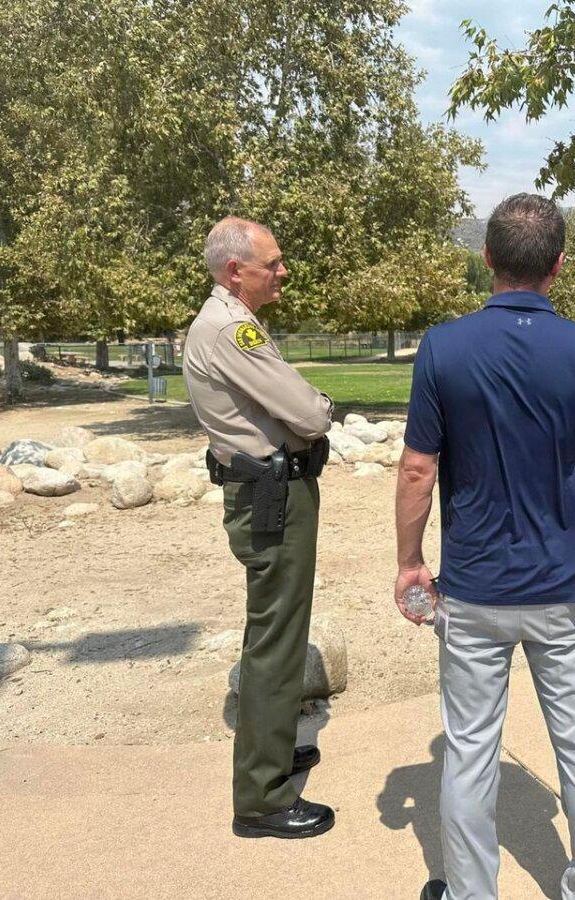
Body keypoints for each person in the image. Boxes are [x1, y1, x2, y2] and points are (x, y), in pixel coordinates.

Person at [394, 194, 575, 900]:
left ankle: (474, 893)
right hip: (561, 586)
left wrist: (410, 561)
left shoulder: (444, 346)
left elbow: (418, 468)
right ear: (559, 266)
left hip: (473, 590)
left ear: (487, 259)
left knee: (470, 751)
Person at [182, 216, 335, 838]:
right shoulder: (230, 329)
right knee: (274, 638)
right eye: (271, 263)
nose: (282, 271)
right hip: (273, 495)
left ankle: (269, 751)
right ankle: (263, 798)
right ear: (234, 271)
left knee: (278, 628)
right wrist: (321, 409)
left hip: (269, 490)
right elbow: (306, 411)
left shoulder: (225, 323)